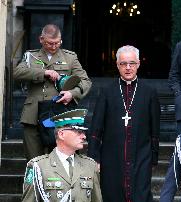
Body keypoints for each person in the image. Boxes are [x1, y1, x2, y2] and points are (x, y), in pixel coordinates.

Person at [87, 45, 160, 202]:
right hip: (111, 156)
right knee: (112, 194)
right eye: (123, 64)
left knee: (140, 195)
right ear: (117, 65)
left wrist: (153, 157)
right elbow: (96, 126)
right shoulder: (107, 91)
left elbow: (155, 128)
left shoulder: (149, 92)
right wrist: (94, 157)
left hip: (141, 155)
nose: (128, 68)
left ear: (138, 64)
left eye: (132, 63)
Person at [14, 24, 92, 160]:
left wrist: (72, 94)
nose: (54, 46)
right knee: (34, 160)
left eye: (58, 43)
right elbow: (17, 73)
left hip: (59, 115)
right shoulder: (31, 56)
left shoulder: (70, 58)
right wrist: (44, 72)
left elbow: (86, 81)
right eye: (50, 43)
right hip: (33, 116)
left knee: (61, 160)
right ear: (41, 39)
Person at [22, 109, 102, 202]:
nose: (84, 136)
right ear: (61, 134)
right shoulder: (38, 166)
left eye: (83, 132)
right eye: (78, 132)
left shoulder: (90, 165)